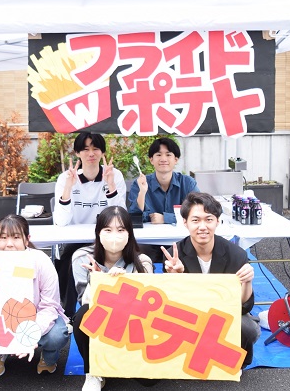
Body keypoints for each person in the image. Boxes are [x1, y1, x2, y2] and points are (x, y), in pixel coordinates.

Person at [162, 192, 260, 368]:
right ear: (185, 222)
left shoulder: (236, 254)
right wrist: (177, 276)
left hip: (223, 312)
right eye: (195, 220)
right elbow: (171, 303)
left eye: (208, 219)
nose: (202, 227)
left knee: (248, 328)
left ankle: (238, 362)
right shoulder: (174, 256)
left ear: (217, 221)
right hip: (190, 313)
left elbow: (243, 306)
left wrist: (247, 282)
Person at [72, 206, 153, 391]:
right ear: (98, 233)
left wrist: (125, 283)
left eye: (121, 230)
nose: (114, 236)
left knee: (149, 381)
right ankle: (93, 372)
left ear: (129, 234)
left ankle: (122, 361)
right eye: (108, 230)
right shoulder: (82, 258)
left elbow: (146, 310)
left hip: (132, 322)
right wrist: (99, 281)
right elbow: (84, 302)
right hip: (99, 316)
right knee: (83, 315)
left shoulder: (143, 261)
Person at [0, 214, 69, 377]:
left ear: (27, 239)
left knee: (57, 335)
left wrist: (31, 333)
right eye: (3, 238)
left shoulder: (41, 261)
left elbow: (49, 305)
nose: (9, 244)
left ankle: (49, 358)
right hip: (3, 319)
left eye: (16, 237)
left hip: (38, 316)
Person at [53, 132, 127, 317]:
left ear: (102, 152)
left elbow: (121, 216)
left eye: (95, 149)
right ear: (77, 153)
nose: (91, 153)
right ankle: (68, 313)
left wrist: (111, 186)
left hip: (107, 239)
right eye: (85, 149)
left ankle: (120, 309)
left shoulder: (114, 175)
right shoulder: (66, 178)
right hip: (75, 240)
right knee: (68, 260)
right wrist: (68, 188)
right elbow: (60, 221)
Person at [128, 137, 199, 263]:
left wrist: (165, 218)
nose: (163, 159)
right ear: (151, 159)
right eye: (158, 155)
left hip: (182, 241)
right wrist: (142, 193)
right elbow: (134, 218)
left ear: (176, 159)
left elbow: (198, 212)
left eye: (168, 154)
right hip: (148, 243)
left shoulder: (187, 183)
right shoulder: (139, 183)